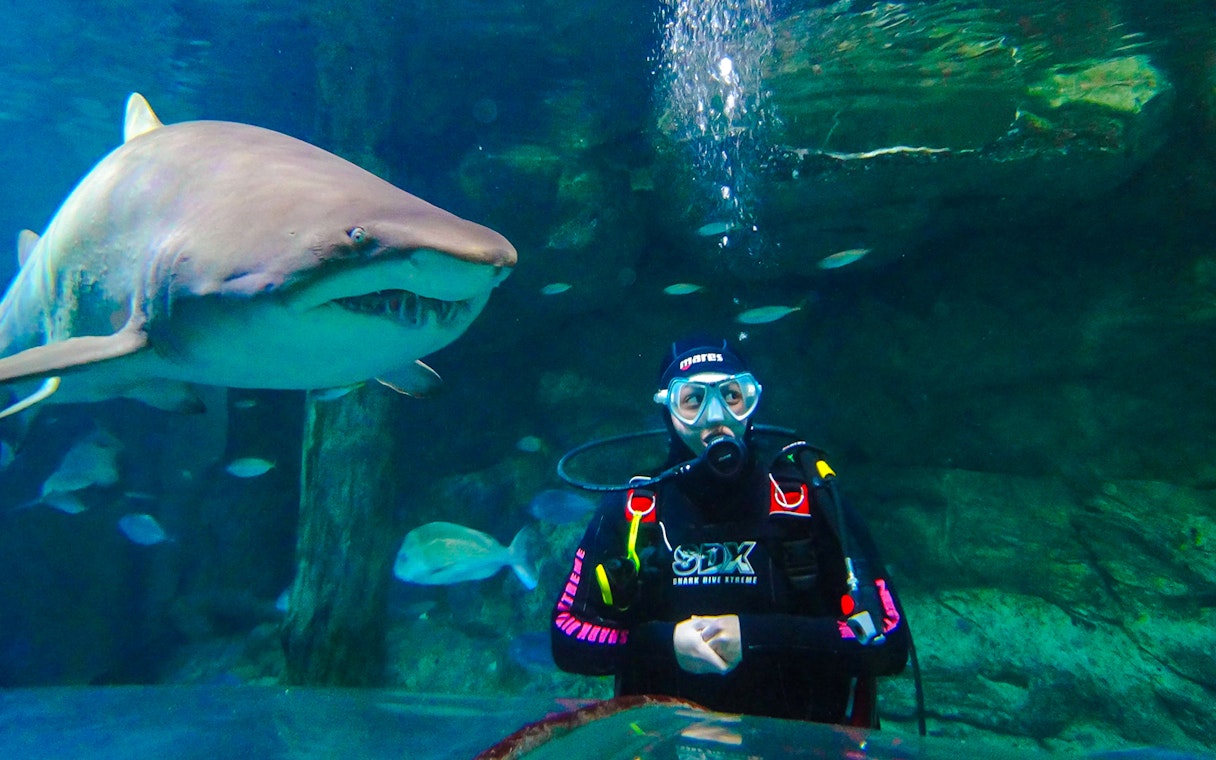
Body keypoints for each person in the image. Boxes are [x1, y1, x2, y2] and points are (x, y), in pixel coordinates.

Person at [550, 336, 910, 726]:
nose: (714, 416)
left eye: (731, 396)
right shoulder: (636, 510)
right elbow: (568, 637)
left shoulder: (808, 500)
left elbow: (886, 640)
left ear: (752, 400)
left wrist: (753, 637)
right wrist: (667, 645)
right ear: (668, 412)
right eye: (692, 400)